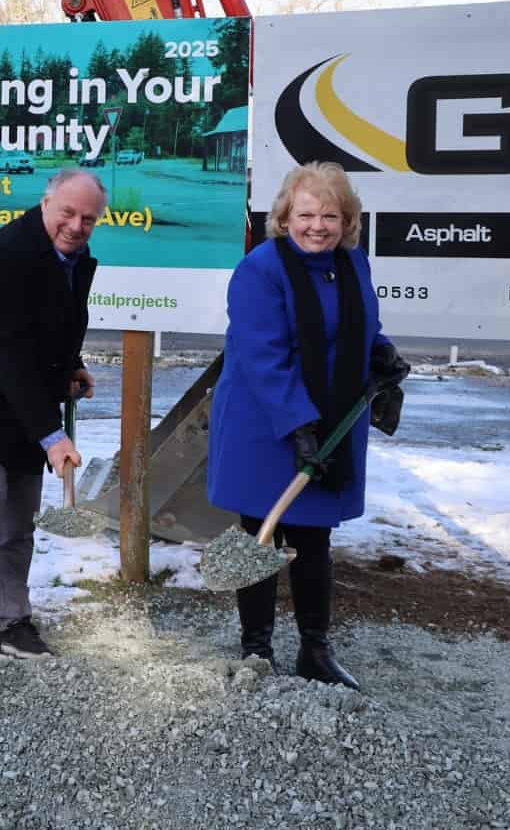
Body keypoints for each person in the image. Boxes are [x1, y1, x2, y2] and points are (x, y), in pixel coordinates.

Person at [206, 161, 409, 690]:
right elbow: (263, 356)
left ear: (347, 221)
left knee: (315, 535)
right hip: (266, 422)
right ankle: (256, 649)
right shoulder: (260, 270)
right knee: (261, 532)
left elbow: (361, 326)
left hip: (333, 417)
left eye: (330, 216)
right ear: (284, 217)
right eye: (306, 215)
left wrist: (382, 354)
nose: (317, 226)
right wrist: (298, 425)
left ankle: (314, 650)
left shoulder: (353, 264)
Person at [0, 169, 104, 660]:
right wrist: (51, 436)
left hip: (27, 405)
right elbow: (5, 352)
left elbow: (55, 324)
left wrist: (71, 365)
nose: (76, 226)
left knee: (19, 518)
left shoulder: (73, 257)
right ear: (46, 203)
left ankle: (13, 618)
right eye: (67, 213)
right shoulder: (2, 256)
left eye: (88, 218)